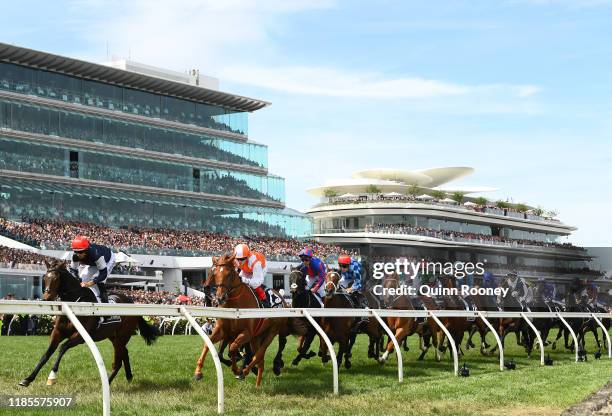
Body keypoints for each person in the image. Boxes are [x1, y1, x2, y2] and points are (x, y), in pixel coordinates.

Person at [69, 236, 118, 323]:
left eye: (81, 252)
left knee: (100, 282)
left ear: (86, 249)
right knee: (83, 277)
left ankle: (107, 312)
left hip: (108, 259)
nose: (78, 254)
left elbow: (103, 274)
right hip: (92, 263)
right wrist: (78, 280)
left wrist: (90, 283)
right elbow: (73, 271)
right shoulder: (75, 256)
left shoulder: (95, 254)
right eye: (76, 252)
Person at [233, 243, 270, 308]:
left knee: (255, 286)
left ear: (247, 257)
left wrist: (244, 280)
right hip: (247, 268)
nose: (239, 261)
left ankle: (264, 302)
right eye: (238, 259)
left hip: (261, 267)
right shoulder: (235, 259)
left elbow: (258, 282)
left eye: (242, 259)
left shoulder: (255, 262)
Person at [337, 254, 369, 325]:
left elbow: (358, 283)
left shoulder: (355, 268)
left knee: (356, 291)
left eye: (344, 266)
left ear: (348, 265)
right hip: (348, 276)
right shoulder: (341, 267)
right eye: (340, 265)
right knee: (339, 286)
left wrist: (352, 288)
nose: (342, 268)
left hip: (361, 275)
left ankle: (365, 310)